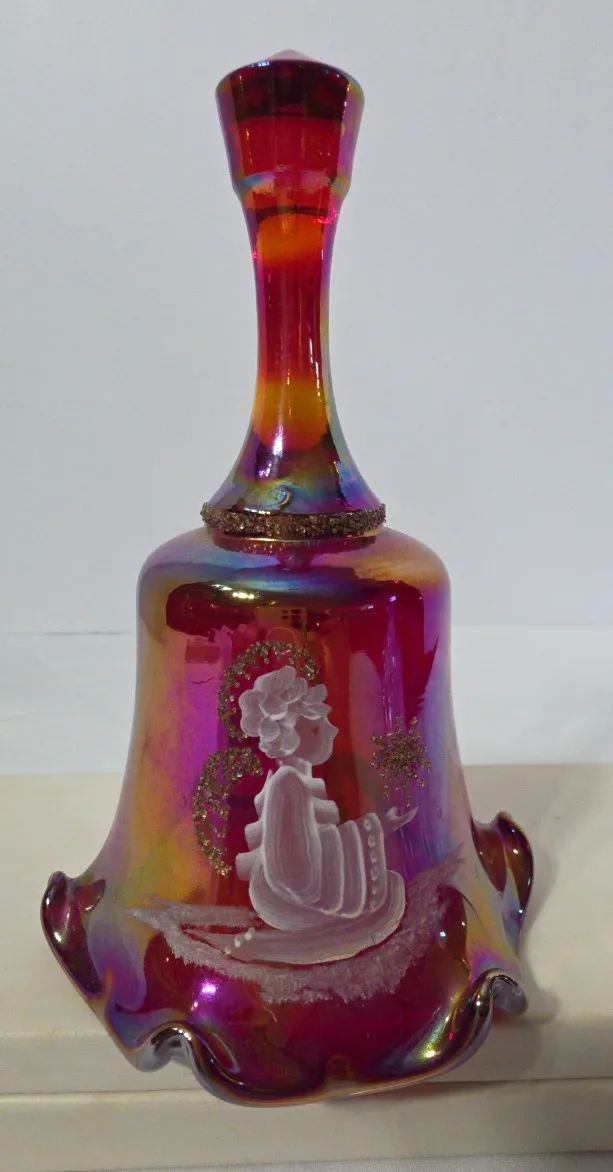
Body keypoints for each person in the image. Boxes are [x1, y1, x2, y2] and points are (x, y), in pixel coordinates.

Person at [204, 665, 416, 966]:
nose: (333, 731)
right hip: (290, 897)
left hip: (296, 892)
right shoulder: (288, 786)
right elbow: (293, 870)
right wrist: (369, 831)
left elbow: (312, 848)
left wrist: (379, 826)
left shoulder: (296, 782)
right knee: (387, 900)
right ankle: (281, 946)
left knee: (391, 890)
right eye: (317, 728)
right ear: (290, 737)